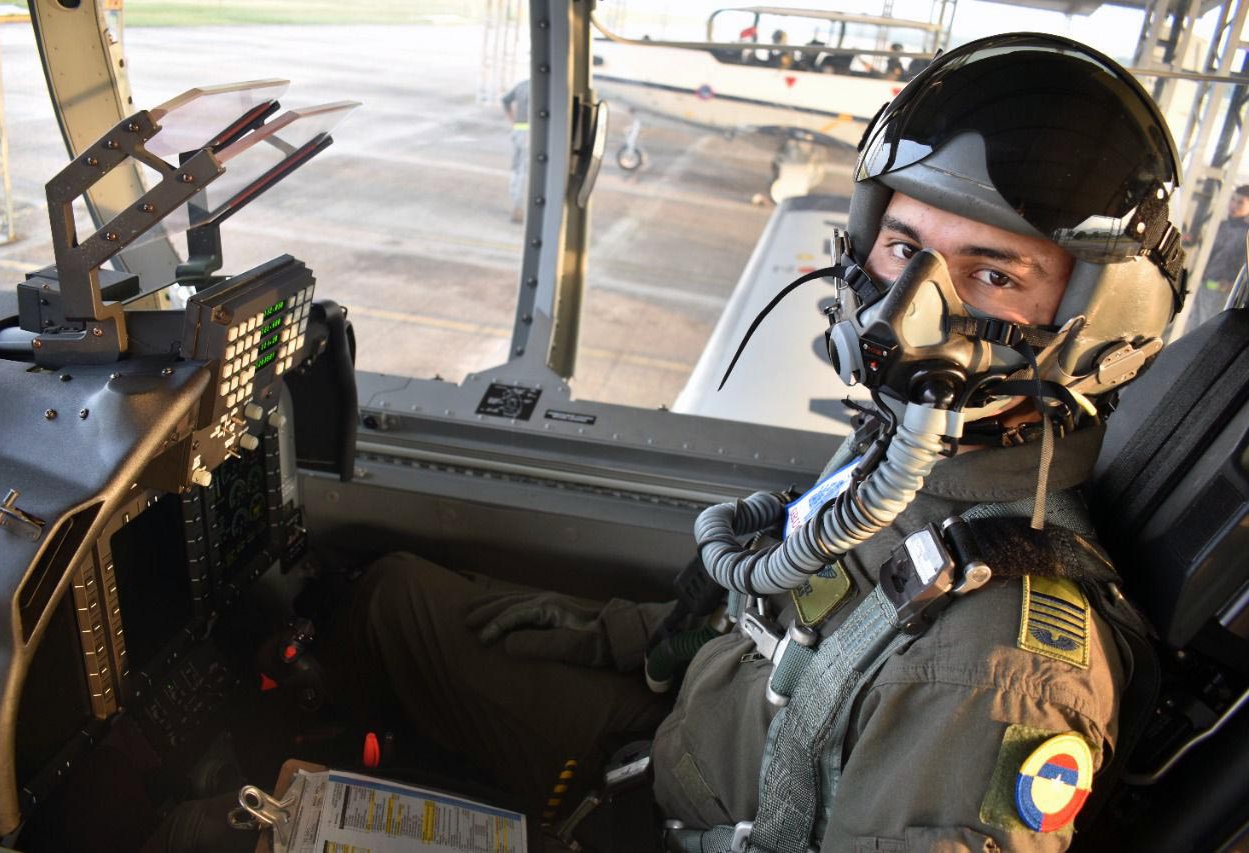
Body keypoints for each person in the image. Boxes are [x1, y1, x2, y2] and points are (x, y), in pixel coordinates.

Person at [357, 33, 1185, 852]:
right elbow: (789, 616)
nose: (904, 308)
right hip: (680, 733)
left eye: (993, 274)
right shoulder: (917, 458)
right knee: (392, 596)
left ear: (1099, 319)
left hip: (681, 815)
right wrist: (613, 631)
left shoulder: (994, 678)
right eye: (904, 247)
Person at [1191, 184, 1249, 325]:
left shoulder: (1246, 235)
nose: (1234, 205)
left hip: (1223, 295)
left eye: (1240, 202)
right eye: (1233, 200)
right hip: (1200, 288)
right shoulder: (1221, 226)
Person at [502, 78, 530, 223]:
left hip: (519, 131)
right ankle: (519, 209)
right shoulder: (540, 88)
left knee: (517, 170)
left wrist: (513, 121)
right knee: (524, 172)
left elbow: (505, 101)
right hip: (530, 134)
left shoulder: (522, 85)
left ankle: (516, 205)